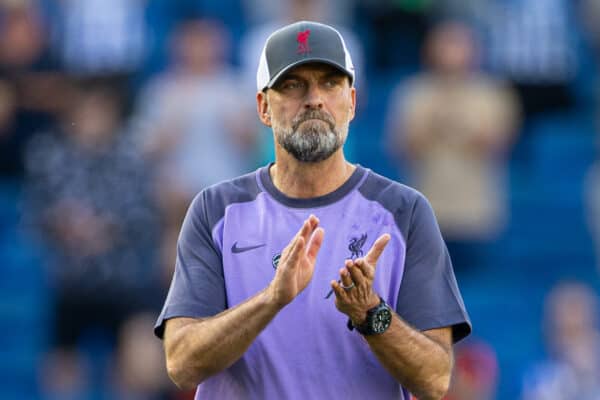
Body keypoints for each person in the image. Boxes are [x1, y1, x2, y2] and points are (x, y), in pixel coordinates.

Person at [155, 21, 471, 400]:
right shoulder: (216, 210)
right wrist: (270, 300)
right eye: (293, 85)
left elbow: (435, 379)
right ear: (263, 107)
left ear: (351, 102)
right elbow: (181, 363)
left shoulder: (404, 211)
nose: (314, 98)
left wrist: (370, 313)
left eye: (330, 83)